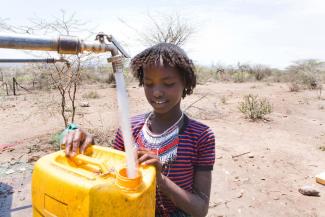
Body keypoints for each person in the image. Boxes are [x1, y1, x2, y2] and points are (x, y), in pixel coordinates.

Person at [62, 43, 215, 217]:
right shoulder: (129, 130)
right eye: (149, 84)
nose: (157, 92)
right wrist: (89, 147)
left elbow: (200, 209)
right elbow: (112, 175)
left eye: (168, 83)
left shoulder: (201, 136)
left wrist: (159, 179)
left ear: (185, 82)